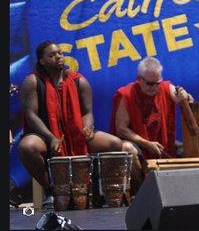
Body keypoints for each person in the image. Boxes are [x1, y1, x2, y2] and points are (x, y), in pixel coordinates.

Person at [17, 41, 123, 205]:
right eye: (51, 55)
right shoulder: (32, 81)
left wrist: (87, 126)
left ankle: (101, 192)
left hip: (75, 133)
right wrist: (51, 137)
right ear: (42, 61)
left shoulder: (78, 80)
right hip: (45, 135)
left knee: (115, 143)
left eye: (59, 53)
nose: (58, 57)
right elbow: (31, 115)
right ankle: (51, 190)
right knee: (27, 147)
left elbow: (87, 112)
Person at [111, 56, 199, 189]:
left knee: (191, 149)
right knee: (128, 149)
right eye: (150, 84)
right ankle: (142, 191)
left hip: (162, 147)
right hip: (140, 146)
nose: (154, 87)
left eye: (157, 83)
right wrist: (146, 144)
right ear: (139, 79)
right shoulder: (126, 94)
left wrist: (186, 97)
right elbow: (121, 129)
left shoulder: (166, 87)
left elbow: (189, 100)